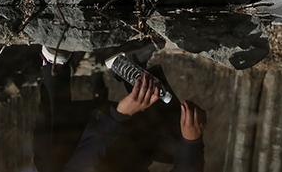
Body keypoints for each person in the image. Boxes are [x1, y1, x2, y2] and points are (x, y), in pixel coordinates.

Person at [33, 46, 208, 172]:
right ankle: (131, 65)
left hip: (78, 132)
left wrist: (120, 115)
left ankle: (55, 65)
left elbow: (87, 161)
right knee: (181, 141)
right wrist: (192, 142)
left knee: (49, 164)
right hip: (125, 141)